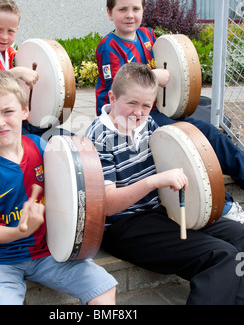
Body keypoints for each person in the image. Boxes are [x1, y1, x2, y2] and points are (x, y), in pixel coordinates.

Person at [86, 63, 244, 305]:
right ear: (112, 97)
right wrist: (154, 181)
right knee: (221, 256)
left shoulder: (148, 124)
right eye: (131, 103)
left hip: (161, 211)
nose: (138, 113)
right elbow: (109, 206)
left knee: (240, 236)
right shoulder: (98, 138)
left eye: (146, 106)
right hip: (125, 225)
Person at [0, 70, 117, 305]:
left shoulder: (41, 146)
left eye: (8, 111)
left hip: (47, 252)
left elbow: (71, 187)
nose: (0, 122)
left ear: (25, 111)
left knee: (103, 289)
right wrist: (21, 231)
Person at [95, 0, 244, 221]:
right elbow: (122, 87)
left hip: (154, 111)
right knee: (192, 142)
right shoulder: (108, 47)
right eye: (122, 9)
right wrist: (155, 76)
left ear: (143, 10)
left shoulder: (147, 35)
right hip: (129, 118)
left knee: (210, 133)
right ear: (109, 13)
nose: (130, 15)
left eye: (135, 9)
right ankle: (223, 205)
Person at [0, 0, 69, 145]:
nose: (5, 37)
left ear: (17, 29)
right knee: (35, 145)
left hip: (18, 119)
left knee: (67, 139)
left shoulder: (10, 52)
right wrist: (16, 73)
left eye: (10, 31)